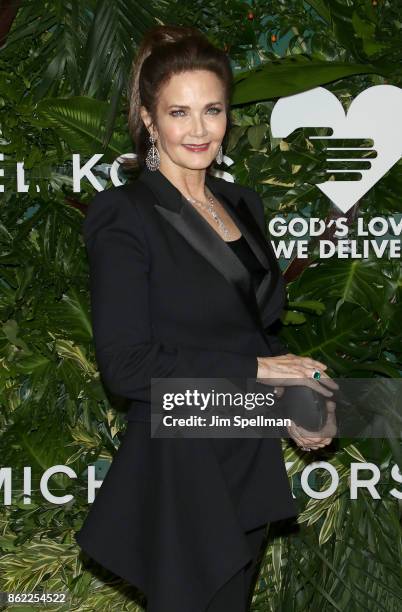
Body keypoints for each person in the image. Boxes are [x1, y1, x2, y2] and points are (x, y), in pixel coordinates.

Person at [74, 24, 337, 612]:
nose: (198, 130)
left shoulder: (244, 203)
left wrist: (298, 407)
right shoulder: (126, 213)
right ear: (148, 118)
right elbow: (127, 365)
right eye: (179, 112)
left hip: (244, 451)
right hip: (180, 461)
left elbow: (257, 332)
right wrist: (265, 373)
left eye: (212, 110)